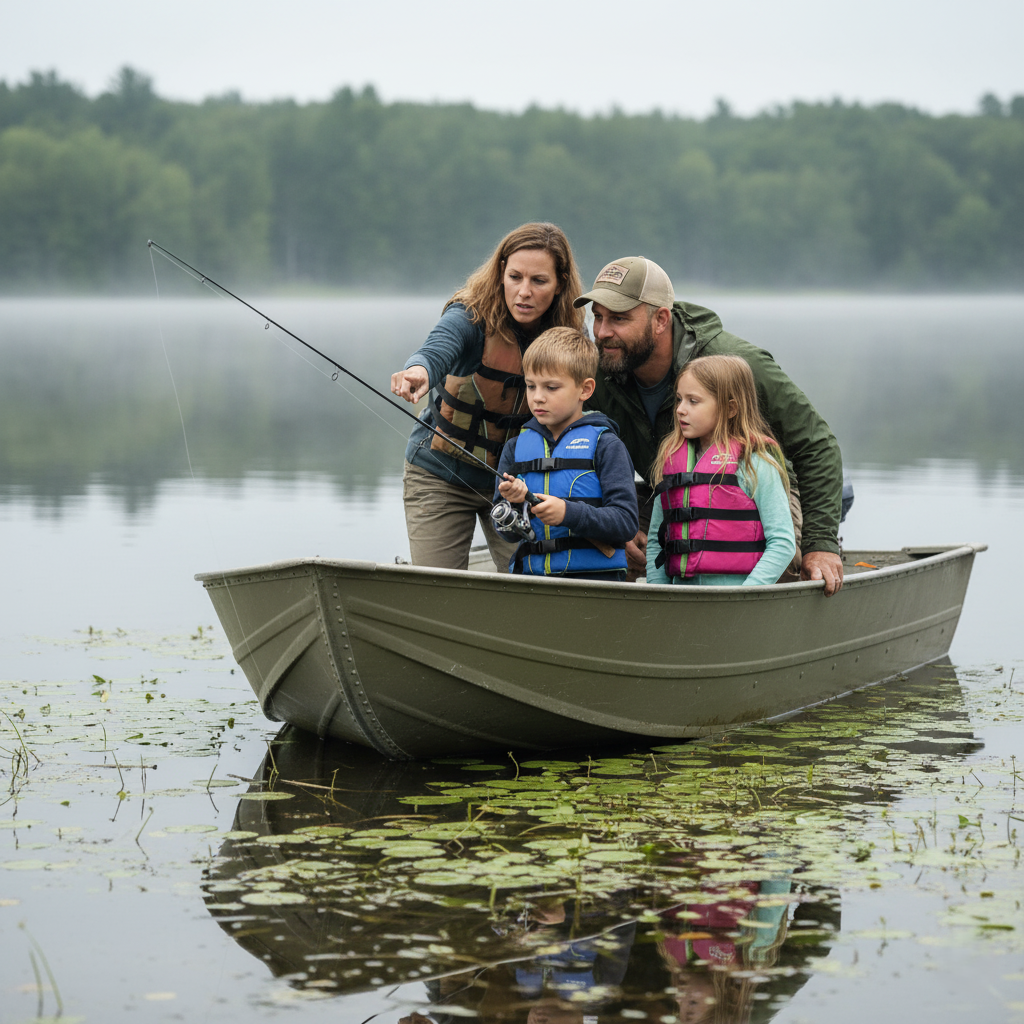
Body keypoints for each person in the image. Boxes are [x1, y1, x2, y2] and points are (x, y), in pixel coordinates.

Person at [574, 256, 846, 595]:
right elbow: (581, 456)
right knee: (589, 536)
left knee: (765, 546)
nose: (602, 332)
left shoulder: (736, 363)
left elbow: (817, 445)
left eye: (618, 318)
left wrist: (822, 543)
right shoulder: (598, 372)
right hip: (671, 492)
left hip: (756, 491)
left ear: (660, 319)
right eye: (597, 317)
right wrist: (612, 521)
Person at [391, 223, 584, 571]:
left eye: (538, 281)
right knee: (440, 589)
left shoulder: (569, 336)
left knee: (535, 583)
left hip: (518, 484)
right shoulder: (470, 316)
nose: (523, 292)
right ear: (500, 274)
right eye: (515, 277)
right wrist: (417, 370)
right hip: (439, 475)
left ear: (559, 284)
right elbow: (437, 349)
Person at [494, 327, 638, 580]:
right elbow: (505, 532)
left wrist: (568, 513)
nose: (538, 397)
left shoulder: (607, 445)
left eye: (551, 387)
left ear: (585, 389)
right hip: (533, 581)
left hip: (596, 583)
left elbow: (625, 523)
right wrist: (514, 503)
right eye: (530, 386)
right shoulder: (515, 448)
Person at [646, 355, 795, 586]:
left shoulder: (755, 464)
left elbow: (783, 543)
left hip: (736, 601)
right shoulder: (673, 464)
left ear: (730, 408)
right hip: (681, 602)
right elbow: (657, 540)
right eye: (679, 399)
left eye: (693, 401)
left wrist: (744, 596)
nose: (680, 410)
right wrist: (657, 596)